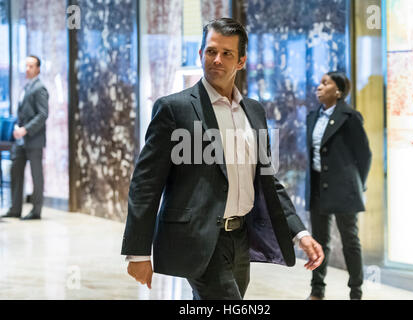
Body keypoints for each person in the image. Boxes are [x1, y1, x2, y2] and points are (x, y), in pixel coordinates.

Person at [121, 18, 324, 300]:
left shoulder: (254, 112)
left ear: (241, 61)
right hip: (198, 236)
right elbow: (146, 183)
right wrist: (138, 251)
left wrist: (299, 232)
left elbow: (268, 180)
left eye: (227, 53)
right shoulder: (174, 109)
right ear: (200, 53)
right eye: (211, 51)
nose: (217, 60)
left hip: (240, 239)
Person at [305, 72, 372, 300]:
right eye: (320, 82)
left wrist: (357, 184)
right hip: (318, 187)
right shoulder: (312, 117)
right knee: (318, 242)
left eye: (325, 83)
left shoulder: (350, 116)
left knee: (350, 241)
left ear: (339, 91)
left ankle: (356, 292)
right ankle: (317, 290)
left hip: (344, 189)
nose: (319, 86)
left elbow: (364, 155)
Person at [2, 55, 48, 220]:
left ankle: (36, 211)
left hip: (34, 139)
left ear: (38, 69)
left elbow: (43, 115)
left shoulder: (40, 88)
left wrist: (26, 130)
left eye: (31, 66)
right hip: (20, 140)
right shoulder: (26, 87)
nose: (27, 69)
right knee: (16, 171)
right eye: (26, 66)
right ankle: (15, 209)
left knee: (36, 176)